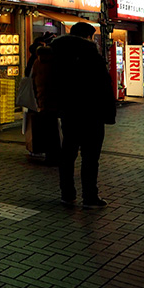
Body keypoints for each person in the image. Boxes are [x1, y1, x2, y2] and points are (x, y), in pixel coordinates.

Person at [33, 22, 115, 208]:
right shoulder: (90, 54)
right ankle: (90, 197)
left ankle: (67, 194)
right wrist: (108, 113)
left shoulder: (52, 53)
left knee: (68, 155)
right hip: (91, 113)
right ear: (86, 36)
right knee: (90, 157)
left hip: (67, 112)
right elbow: (102, 86)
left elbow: (39, 81)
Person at [24, 33, 60, 164]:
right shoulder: (54, 64)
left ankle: (49, 154)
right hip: (53, 101)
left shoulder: (37, 64)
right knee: (53, 129)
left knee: (47, 128)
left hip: (41, 100)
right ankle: (54, 154)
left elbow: (32, 80)